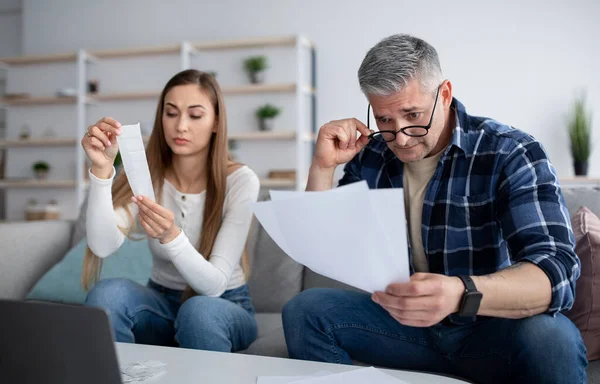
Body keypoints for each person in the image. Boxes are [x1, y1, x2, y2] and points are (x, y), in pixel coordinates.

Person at [282, 35, 587, 383]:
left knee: (553, 338)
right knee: (305, 311)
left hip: (489, 329)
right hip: (404, 329)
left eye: (413, 115)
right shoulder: (371, 156)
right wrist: (323, 167)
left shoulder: (510, 152)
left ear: (444, 94)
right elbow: (321, 246)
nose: (401, 138)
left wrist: (460, 293)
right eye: (384, 120)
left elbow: (557, 274)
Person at [81, 69, 259, 352]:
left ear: (216, 122)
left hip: (224, 304)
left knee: (199, 313)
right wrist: (102, 172)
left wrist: (171, 236)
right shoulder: (146, 175)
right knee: (107, 295)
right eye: (171, 113)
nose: (181, 126)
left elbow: (214, 286)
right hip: (161, 301)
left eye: (195, 115)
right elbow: (102, 246)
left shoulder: (241, 180)